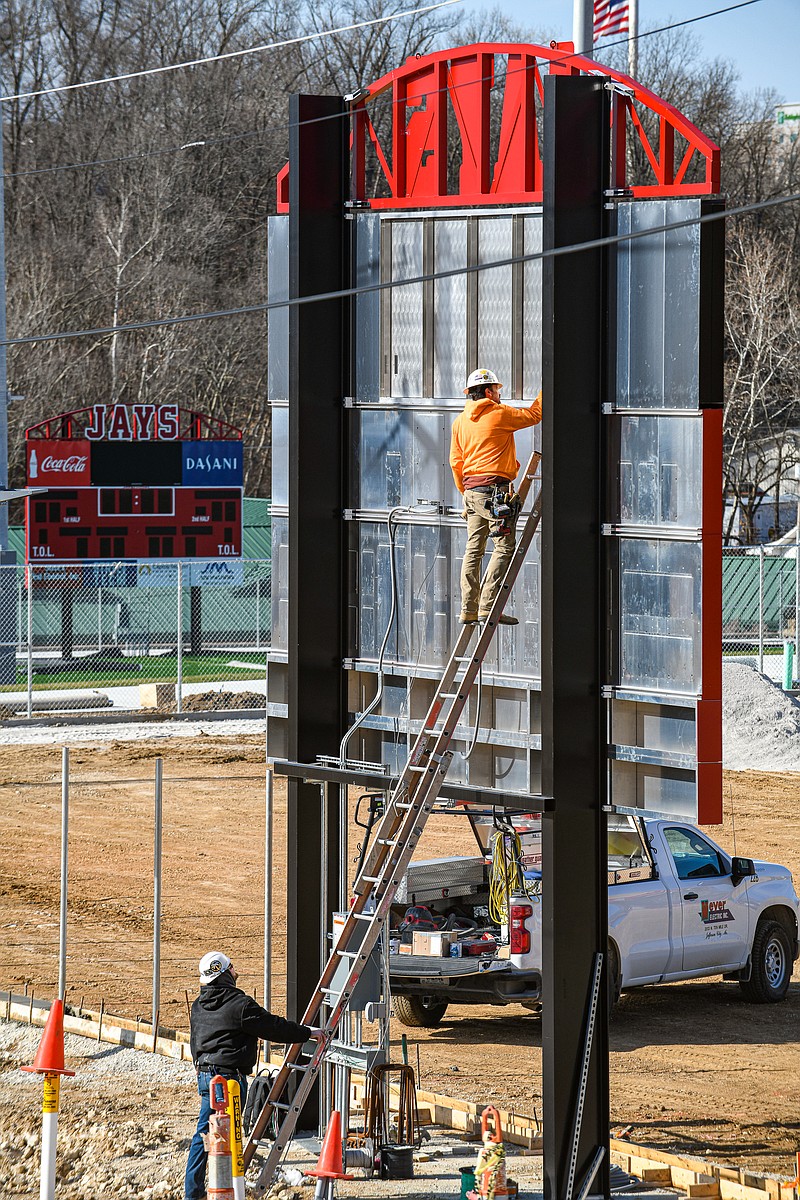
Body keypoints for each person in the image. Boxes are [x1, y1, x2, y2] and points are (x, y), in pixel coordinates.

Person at [184, 950, 324, 1200]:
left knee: (205, 1134)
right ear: (226, 973)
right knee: (231, 1137)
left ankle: (195, 1193)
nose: (236, 972)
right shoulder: (239, 1005)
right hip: (228, 1080)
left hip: (206, 1075)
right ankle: (226, 1189)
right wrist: (307, 1033)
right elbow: (273, 1027)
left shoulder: (198, 1005)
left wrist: (200, 1065)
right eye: (233, 968)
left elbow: (195, 1040)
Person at [449, 368, 542, 626]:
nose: (500, 395)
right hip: (495, 493)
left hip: (471, 492)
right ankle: (487, 607)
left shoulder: (459, 422)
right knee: (504, 547)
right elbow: (535, 414)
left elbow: (456, 462)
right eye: (498, 390)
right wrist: (549, 387)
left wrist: (466, 497)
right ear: (488, 392)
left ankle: (468, 609)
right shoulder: (498, 413)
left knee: (473, 550)